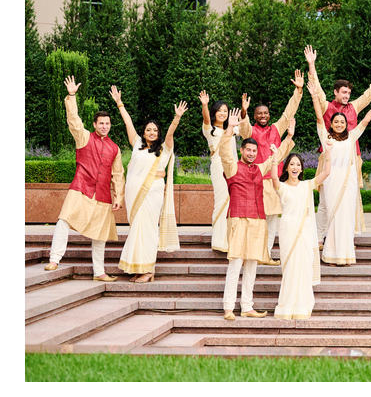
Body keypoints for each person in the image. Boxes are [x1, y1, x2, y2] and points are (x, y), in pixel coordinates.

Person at [306, 45, 371, 246]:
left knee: (350, 199)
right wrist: (312, 65)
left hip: (351, 158)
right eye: (344, 92)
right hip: (329, 158)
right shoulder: (327, 106)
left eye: (349, 93)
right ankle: (319, 237)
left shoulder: (354, 107)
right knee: (325, 202)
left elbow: (370, 92)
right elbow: (318, 91)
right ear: (336, 92)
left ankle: (344, 235)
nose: (347, 96)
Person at [45, 76, 125, 281]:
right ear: (94, 124)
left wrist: (119, 196)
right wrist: (71, 96)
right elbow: (73, 120)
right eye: (101, 123)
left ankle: (99, 272)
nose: (105, 126)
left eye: (108, 123)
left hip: (103, 195)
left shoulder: (114, 148)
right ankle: (54, 259)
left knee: (100, 235)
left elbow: (118, 174)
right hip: (80, 188)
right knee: (63, 221)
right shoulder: (84, 137)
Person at [219, 108, 295, 320]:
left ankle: (247, 307)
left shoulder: (259, 169)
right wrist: (230, 129)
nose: (252, 153)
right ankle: (228, 307)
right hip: (237, 217)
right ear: (242, 151)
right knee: (235, 263)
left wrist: (288, 137)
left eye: (254, 151)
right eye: (248, 150)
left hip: (258, 219)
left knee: (252, 264)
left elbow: (275, 158)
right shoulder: (232, 168)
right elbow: (225, 152)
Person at [111, 85, 186, 282]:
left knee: (148, 229)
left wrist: (176, 117)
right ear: (144, 133)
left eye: (155, 130)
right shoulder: (136, 144)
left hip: (152, 194)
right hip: (135, 195)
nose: (152, 132)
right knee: (137, 229)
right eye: (148, 129)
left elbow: (170, 134)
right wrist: (120, 104)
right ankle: (140, 267)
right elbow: (127, 123)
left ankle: (149, 269)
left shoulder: (164, 149)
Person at [315, 84, 371, 266]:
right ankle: (331, 255)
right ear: (332, 124)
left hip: (348, 184)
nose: (340, 124)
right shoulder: (326, 138)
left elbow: (365, 120)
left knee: (346, 217)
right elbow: (319, 118)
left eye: (342, 122)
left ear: (346, 124)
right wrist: (313, 96)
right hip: (331, 182)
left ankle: (346, 255)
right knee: (333, 217)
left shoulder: (352, 137)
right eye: (336, 122)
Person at [237, 70, 304, 264]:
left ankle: (265, 254)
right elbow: (243, 129)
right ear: (255, 116)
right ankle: (255, 253)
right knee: (258, 220)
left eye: (265, 113)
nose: (263, 115)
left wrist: (298, 91)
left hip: (275, 182)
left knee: (273, 220)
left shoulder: (276, 128)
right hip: (257, 181)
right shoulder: (252, 131)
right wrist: (244, 112)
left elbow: (289, 112)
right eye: (259, 113)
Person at [270, 150, 333, 320]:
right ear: (287, 168)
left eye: (298, 164)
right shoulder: (282, 187)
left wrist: (328, 154)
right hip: (288, 232)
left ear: (302, 168)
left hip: (305, 233)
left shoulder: (307, 185)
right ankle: (286, 306)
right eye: (292, 164)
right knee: (290, 269)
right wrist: (275, 159)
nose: (295, 167)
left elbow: (326, 173)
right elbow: (274, 179)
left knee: (303, 268)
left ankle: (302, 306)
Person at [199, 90, 235, 253]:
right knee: (222, 201)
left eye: (225, 111)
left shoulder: (231, 130)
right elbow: (206, 119)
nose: (223, 113)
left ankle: (230, 239)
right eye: (220, 110)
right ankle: (219, 241)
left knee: (232, 203)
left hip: (233, 168)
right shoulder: (210, 130)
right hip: (219, 167)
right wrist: (205, 105)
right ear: (215, 113)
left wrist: (243, 111)